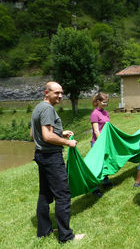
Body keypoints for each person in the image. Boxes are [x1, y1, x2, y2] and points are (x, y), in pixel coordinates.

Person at [30, 82, 85, 243]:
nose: (60, 96)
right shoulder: (48, 109)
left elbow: (34, 134)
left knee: (44, 194)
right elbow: (46, 136)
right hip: (51, 157)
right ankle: (66, 236)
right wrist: (67, 142)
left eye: (61, 93)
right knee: (63, 195)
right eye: (56, 93)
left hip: (41, 155)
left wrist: (61, 132)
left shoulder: (38, 107)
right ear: (46, 92)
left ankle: (44, 231)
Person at [90, 92, 112, 196]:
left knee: (105, 163)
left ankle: (105, 182)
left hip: (105, 141)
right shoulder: (94, 114)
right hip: (97, 143)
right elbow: (96, 131)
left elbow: (108, 127)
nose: (105, 104)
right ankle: (95, 188)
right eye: (103, 102)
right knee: (96, 166)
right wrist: (101, 143)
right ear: (98, 101)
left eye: (106, 103)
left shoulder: (105, 112)